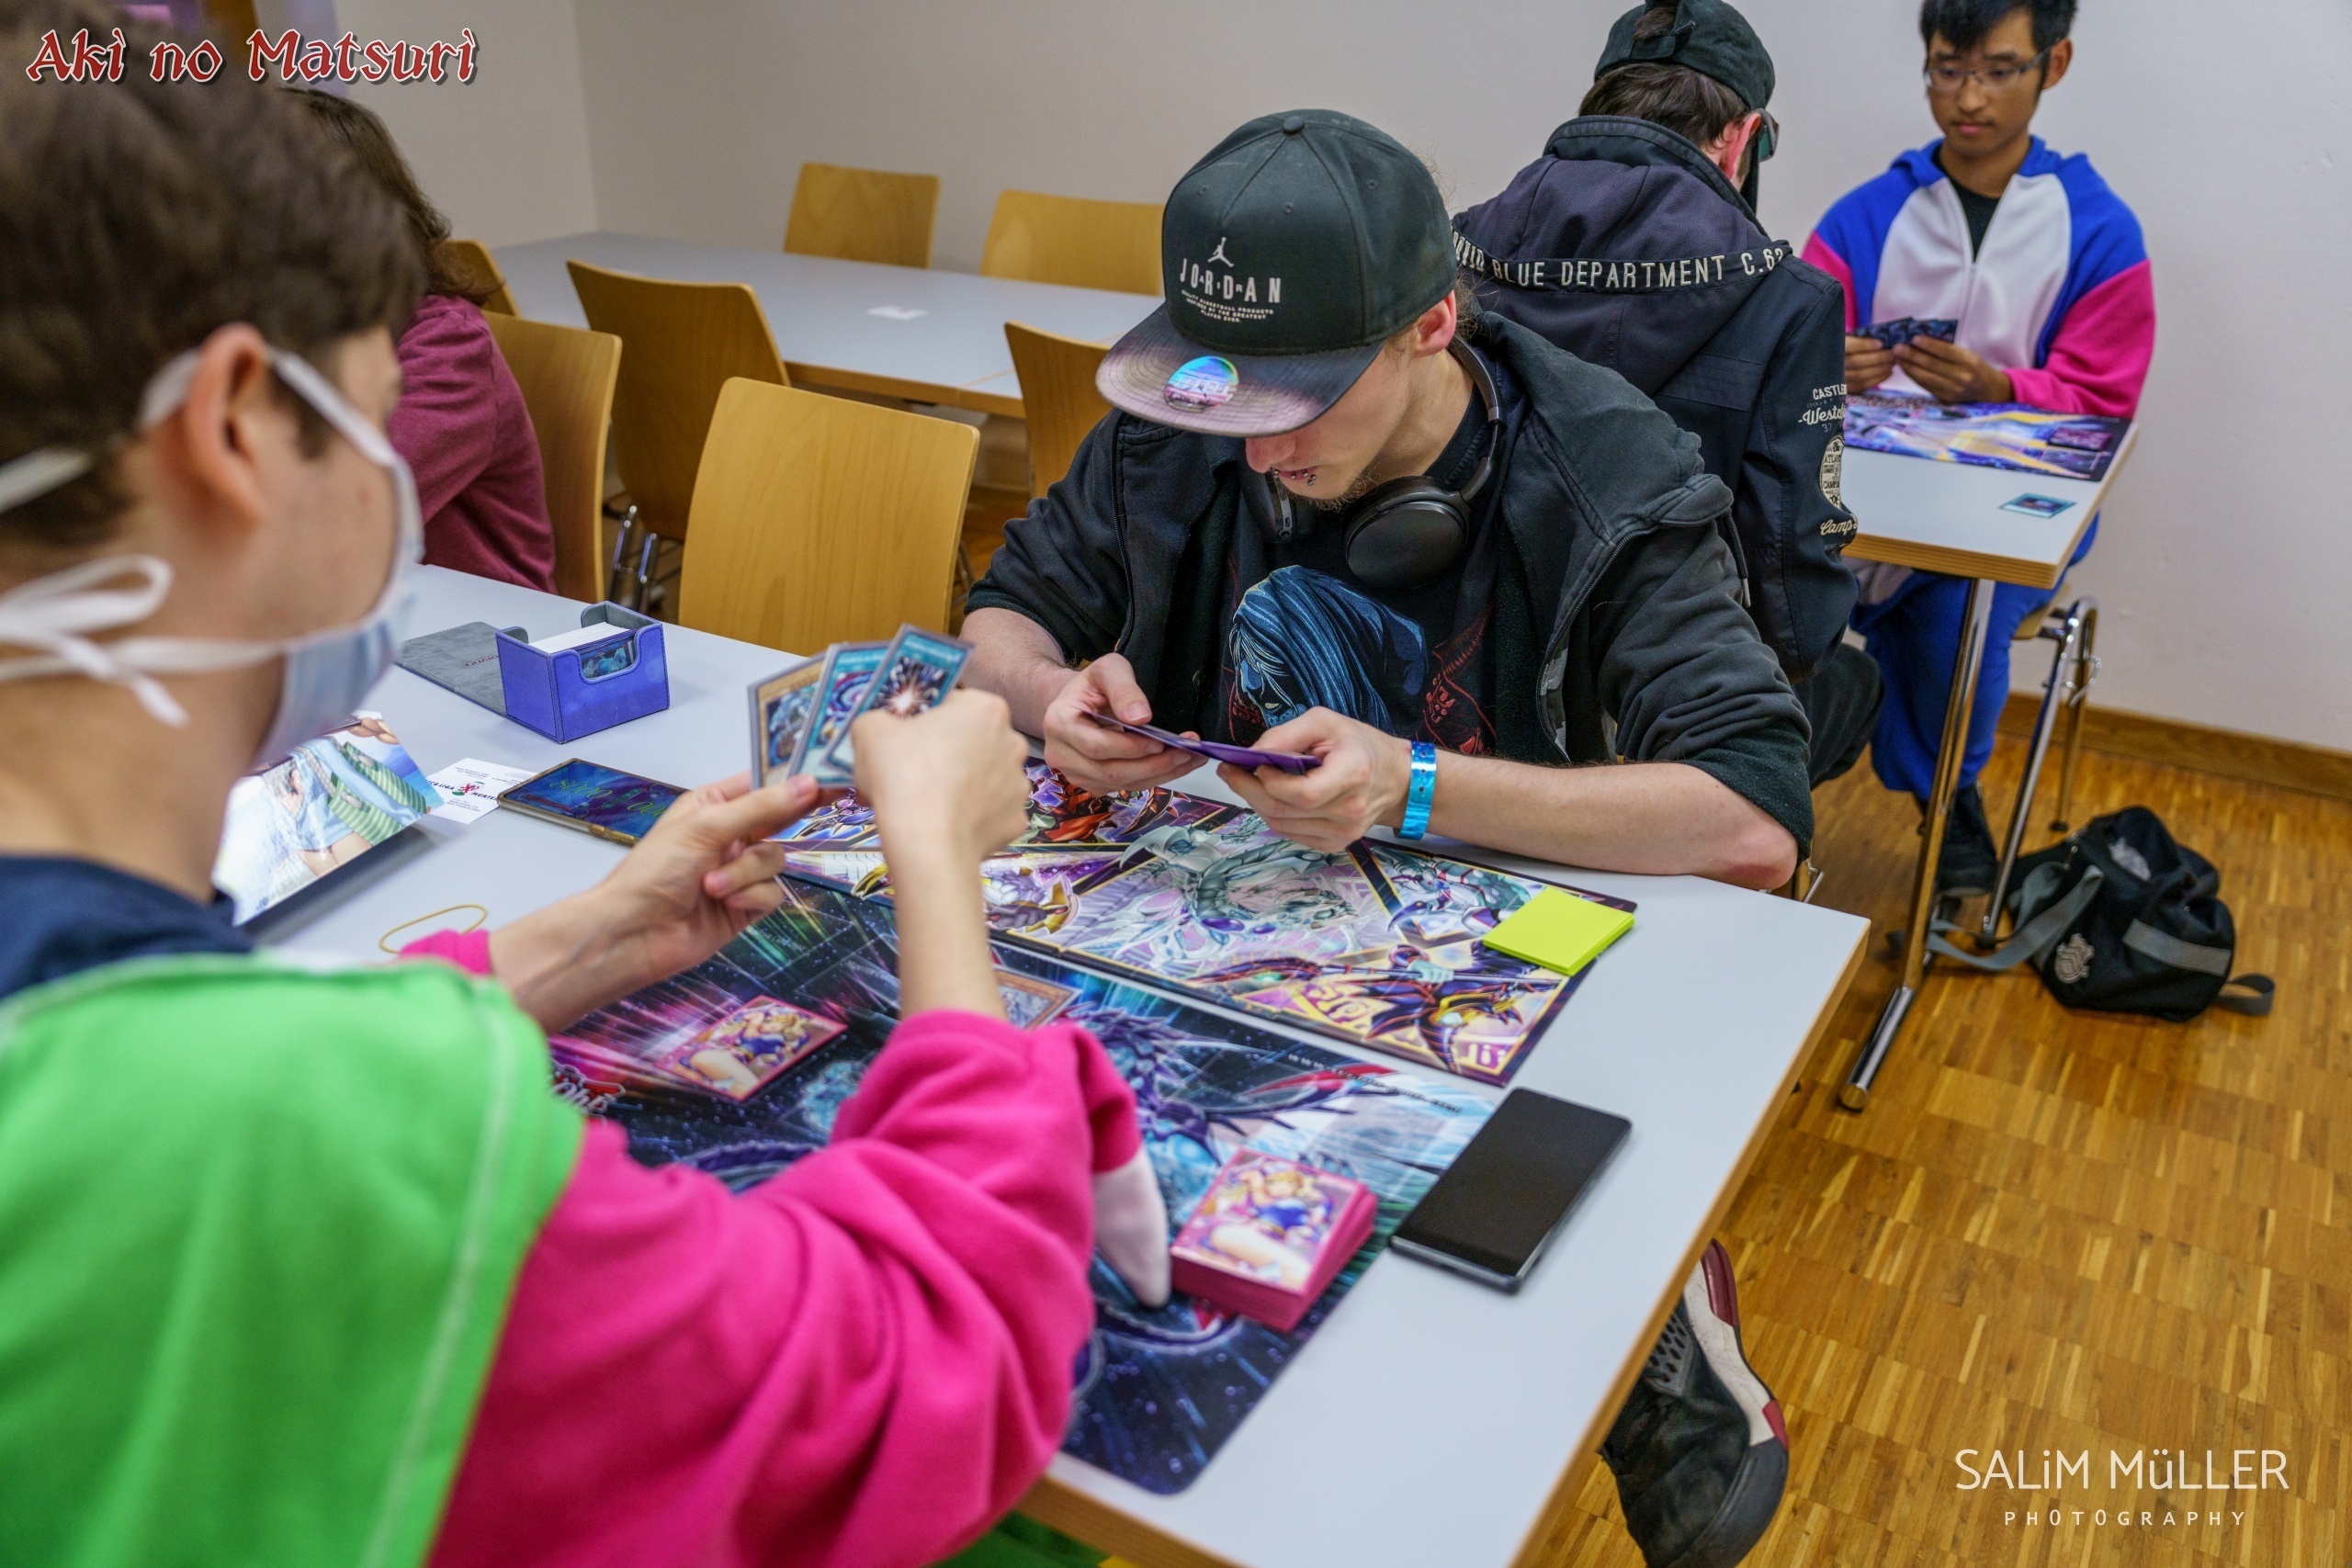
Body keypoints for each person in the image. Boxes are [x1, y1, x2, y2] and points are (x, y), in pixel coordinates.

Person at [0, 19, 1152, 1567]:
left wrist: (589, 937)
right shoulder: (317, 1133)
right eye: (371, 415)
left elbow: (155, 1044)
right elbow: (913, 1380)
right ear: (231, 436)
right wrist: (936, 859)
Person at [965, 109, 1812, 894]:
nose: (1256, 451)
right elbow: (995, 626)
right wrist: (1052, 695)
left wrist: (1412, 785)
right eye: (1229, 386)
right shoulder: (1181, 426)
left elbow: (1756, 819)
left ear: (1431, 325)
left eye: (1300, 397)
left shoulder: (1606, 471)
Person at [1455, 0, 1881, 791]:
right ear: (1743, 139)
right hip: (1655, 714)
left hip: (1456, 684)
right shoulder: (1787, 298)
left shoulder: (1453, 243)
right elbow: (1794, 615)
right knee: (1856, 683)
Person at [1803, 0, 2154, 890]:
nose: (1968, 98)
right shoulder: (1863, 217)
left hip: (2006, 516)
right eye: (1947, 69)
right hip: (1862, 501)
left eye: (1998, 71)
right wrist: (1827, 363)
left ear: (2053, 64)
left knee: (1961, 606)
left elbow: (2105, 404)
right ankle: (1763, 779)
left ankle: (1948, 794)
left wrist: (2003, 388)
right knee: (1765, 577)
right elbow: (1781, 361)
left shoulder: (2098, 230)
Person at [293, 88, 561, 592]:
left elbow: (338, 519)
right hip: (367, 603)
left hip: (485, 624)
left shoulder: (447, 346)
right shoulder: (291, 332)